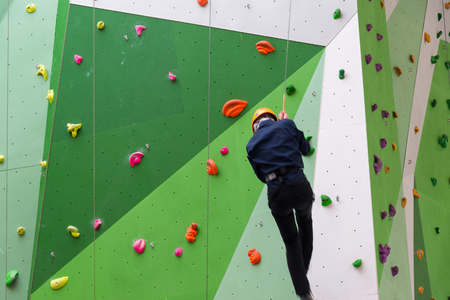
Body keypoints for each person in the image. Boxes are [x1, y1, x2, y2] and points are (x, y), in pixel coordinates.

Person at [246, 107, 315, 300]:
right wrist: (287, 124)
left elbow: (261, 176)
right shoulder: (286, 125)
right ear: (273, 119)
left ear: (255, 128)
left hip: (276, 193)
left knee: (291, 244)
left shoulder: (251, 145)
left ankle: (303, 293)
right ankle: (304, 269)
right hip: (298, 185)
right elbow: (305, 149)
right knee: (305, 223)